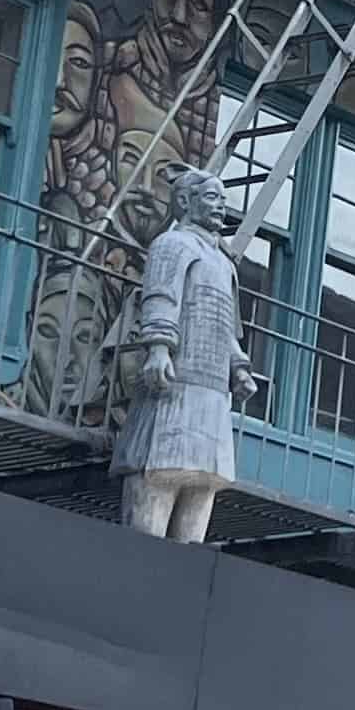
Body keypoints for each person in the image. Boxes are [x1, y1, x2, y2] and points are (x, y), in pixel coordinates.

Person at [114, 161, 287, 541]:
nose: (220, 206)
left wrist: (238, 367)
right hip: (175, 387)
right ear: (185, 201)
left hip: (212, 396)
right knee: (158, 476)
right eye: (211, 197)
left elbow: (226, 324)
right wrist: (158, 347)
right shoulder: (172, 245)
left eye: (223, 199)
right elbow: (161, 296)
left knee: (202, 486)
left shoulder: (224, 264)